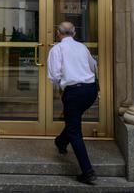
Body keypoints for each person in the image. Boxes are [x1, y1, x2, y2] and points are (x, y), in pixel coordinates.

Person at [47, 21, 99, 185]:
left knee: (74, 130)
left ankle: (88, 172)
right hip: (90, 91)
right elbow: (94, 66)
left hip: (74, 92)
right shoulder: (82, 47)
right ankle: (61, 141)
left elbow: (54, 75)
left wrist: (62, 86)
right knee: (73, 121)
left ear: (58, 34)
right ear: (74, 33)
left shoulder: (57, 49)